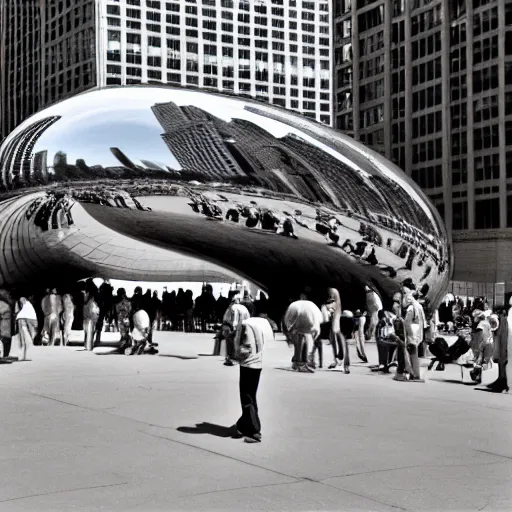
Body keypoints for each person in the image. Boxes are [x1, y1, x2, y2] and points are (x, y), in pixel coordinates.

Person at [232, 316, 274, 443]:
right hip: (258, 363)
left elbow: (245, 344)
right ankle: (241, 425)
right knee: (251, 396)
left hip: (247, 364)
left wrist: (235, 354)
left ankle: (254, 430)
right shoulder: (262, 325)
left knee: (246, 397)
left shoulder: (246, 325)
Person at [283, 299, 323, 373]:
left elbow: (288, 320)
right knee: (307, 341)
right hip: (310, 322)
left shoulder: (294, 306)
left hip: (300, 322)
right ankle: (305, 362)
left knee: (300, 341)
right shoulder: (311, 306)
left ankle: (299, 361)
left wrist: (289, 331)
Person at [218, 292, 250, 365]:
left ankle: (231, 357)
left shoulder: (233, 307)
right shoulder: (243, 307)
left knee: (229, 338)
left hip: (238, 327)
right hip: (245, 326)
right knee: (241, 341)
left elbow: (235, 321)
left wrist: (234, 329)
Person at [323, 288, 350, 373]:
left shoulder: (334, 301)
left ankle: (341, 364)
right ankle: (340, 362)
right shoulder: (337, 301)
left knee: (338, 340)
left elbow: (332, 306)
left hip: (337, 322)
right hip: (337, 321)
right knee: (339, 341)